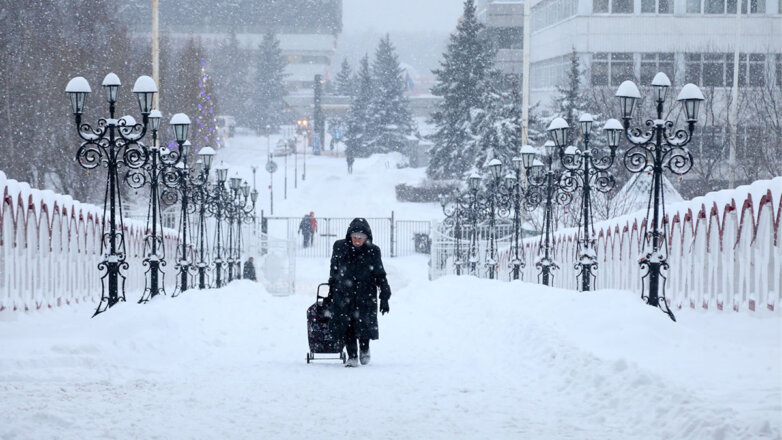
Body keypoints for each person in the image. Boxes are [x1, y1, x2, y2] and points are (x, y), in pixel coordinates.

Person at [327, 218, 391, 367]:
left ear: (366, 238)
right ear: (349, 236)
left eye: (361, 237)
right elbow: (334, 270)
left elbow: (380, 274)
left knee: (364, 324)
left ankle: (364, 349)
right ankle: (352, 356)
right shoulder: (340, 247)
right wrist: (332, 291)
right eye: (354, 237)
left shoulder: (373, 251)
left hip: (365, 295)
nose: (357, 240)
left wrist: (385, 296)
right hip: (344, 294)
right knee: (347, 325)